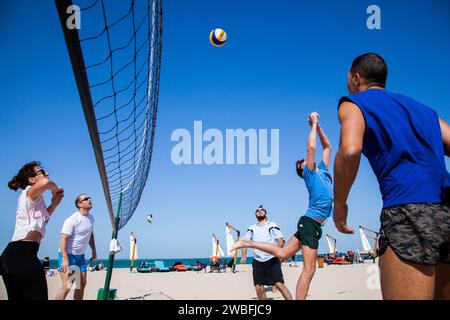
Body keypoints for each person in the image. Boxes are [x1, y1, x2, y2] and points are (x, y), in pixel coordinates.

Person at [333, 52, 450, 299]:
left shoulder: (354, 104)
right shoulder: (423, 110)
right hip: (446, 211)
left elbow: (350, 149)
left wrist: (340, 203)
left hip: (408, 212)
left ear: (356, 78)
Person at [232, 114, 333, 300]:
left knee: (283, 254)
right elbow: (312, 147)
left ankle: (248, 242)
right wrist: (314, 123)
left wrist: (318, 128)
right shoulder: (310, 173)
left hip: (313, 225)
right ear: (303, 169)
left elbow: (327, 147)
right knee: (309, 270)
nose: (307, 158)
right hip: (309, 223)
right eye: (304, 160)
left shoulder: (323, 171)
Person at [0, 161, 64, 300]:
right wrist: (55, 188)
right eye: (41, 171)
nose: (46, 173)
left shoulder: (33, 200)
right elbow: (46, 183)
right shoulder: (30, 191)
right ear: (31, 179)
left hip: (11, 256)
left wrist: (54, 204)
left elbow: (41, 221)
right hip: (23, 254)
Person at [238, 206, 293, 300]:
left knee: (279, 285)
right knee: (259, 288)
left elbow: (280, 242)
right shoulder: (252, 228)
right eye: (257, 211)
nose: (259, 211)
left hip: (272, 259)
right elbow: (244, 242)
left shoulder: (272, 225)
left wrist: (278, 252)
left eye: (261, 210)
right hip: (258, 261)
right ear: (255, 215)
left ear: (266, 213)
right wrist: (244, 255)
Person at [55, 194, 96, 300]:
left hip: (80, 256)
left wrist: (94, 251)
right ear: (79, 204)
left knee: (81, 285)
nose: (89, 199)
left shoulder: (91, 218)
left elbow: (90, 235)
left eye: (89, 198)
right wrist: (65, 260)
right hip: (68, 255)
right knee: (67, 286)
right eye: (86, 199)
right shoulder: (72, 219)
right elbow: (63, 239)